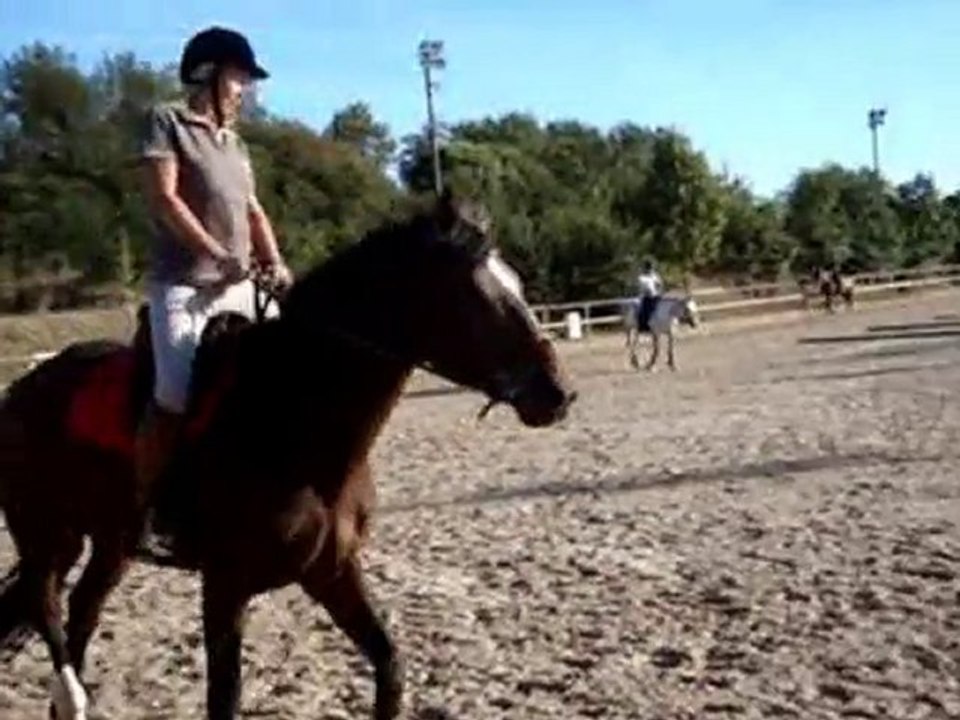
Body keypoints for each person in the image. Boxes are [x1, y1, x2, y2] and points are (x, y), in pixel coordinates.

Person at [135, 26, 293, 557]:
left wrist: (274, 260)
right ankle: (150, 508)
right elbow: (164, 199)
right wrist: (214, 253)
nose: (244, 89)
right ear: (207, 74)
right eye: (238, 78)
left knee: (290, 373)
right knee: (175, 395)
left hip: (240, 284)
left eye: (246, 81)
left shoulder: (236, 143)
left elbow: (253, 211)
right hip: (185, 286)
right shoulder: (167, 122)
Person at [635, 259, 663, 332]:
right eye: (650, 268)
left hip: (656, 295)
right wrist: (647, 291)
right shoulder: (642, 277)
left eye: (651, 268)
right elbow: (642, 287)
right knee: (644, 310)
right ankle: (644, 326)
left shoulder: (655, 276)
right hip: (646, 296)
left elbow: (660, 284)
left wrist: (659, 289)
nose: (651, 270)